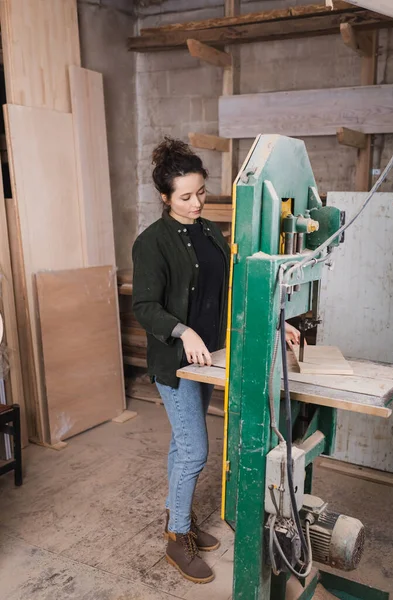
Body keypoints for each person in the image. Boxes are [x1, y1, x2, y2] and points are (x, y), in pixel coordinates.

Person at [132, 137, 301, 584]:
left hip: (208, 358)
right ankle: (176, 536)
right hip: (177, 361)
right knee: (195, 449)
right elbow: (144, 306)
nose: (196, 203)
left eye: (201, 192)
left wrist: (272, 322)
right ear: (165, 197)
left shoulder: (209, 232)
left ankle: (179, 518)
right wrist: (183, 331)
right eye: (185, 196)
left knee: (180, 445)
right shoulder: (151, 243)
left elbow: (231, 291)